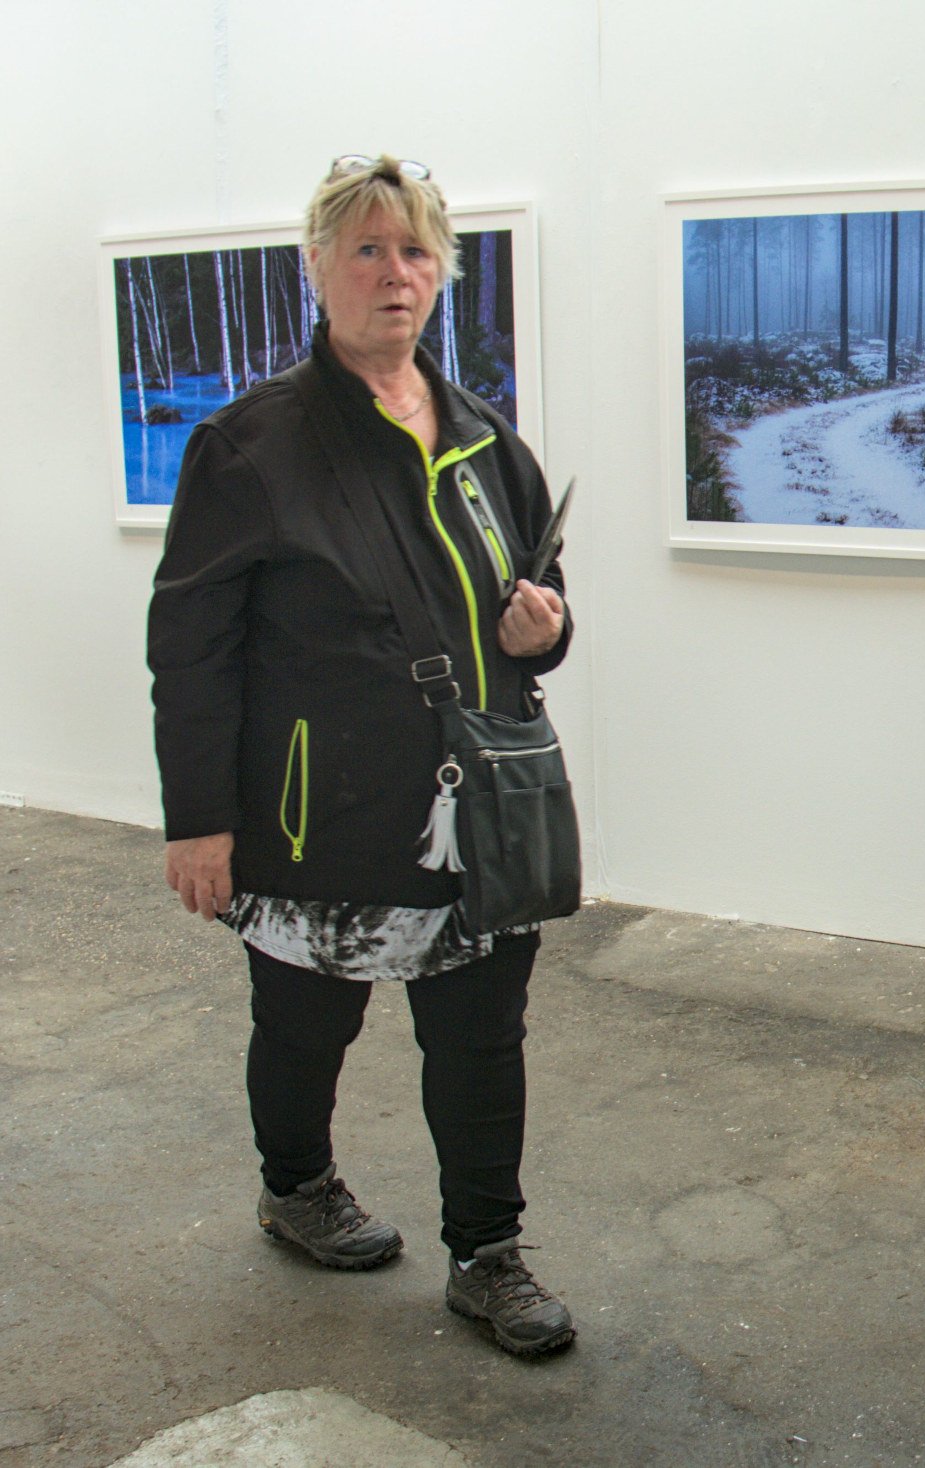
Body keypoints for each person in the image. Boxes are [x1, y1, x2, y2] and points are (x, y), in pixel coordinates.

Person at [148, 154, 575, 1357]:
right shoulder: (250, 446)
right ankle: (296, 1187)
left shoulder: (488, 441)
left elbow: (536, 598)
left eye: (416, 250)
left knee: (481, 1039)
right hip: (313, 819)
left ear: (442, 273)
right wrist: (199, 819)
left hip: (475, 813)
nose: (395, 273)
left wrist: (544, 630)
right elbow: (191, 647)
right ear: (318, 267)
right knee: (303, 1030)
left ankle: (487, 1255)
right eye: (369, 250)